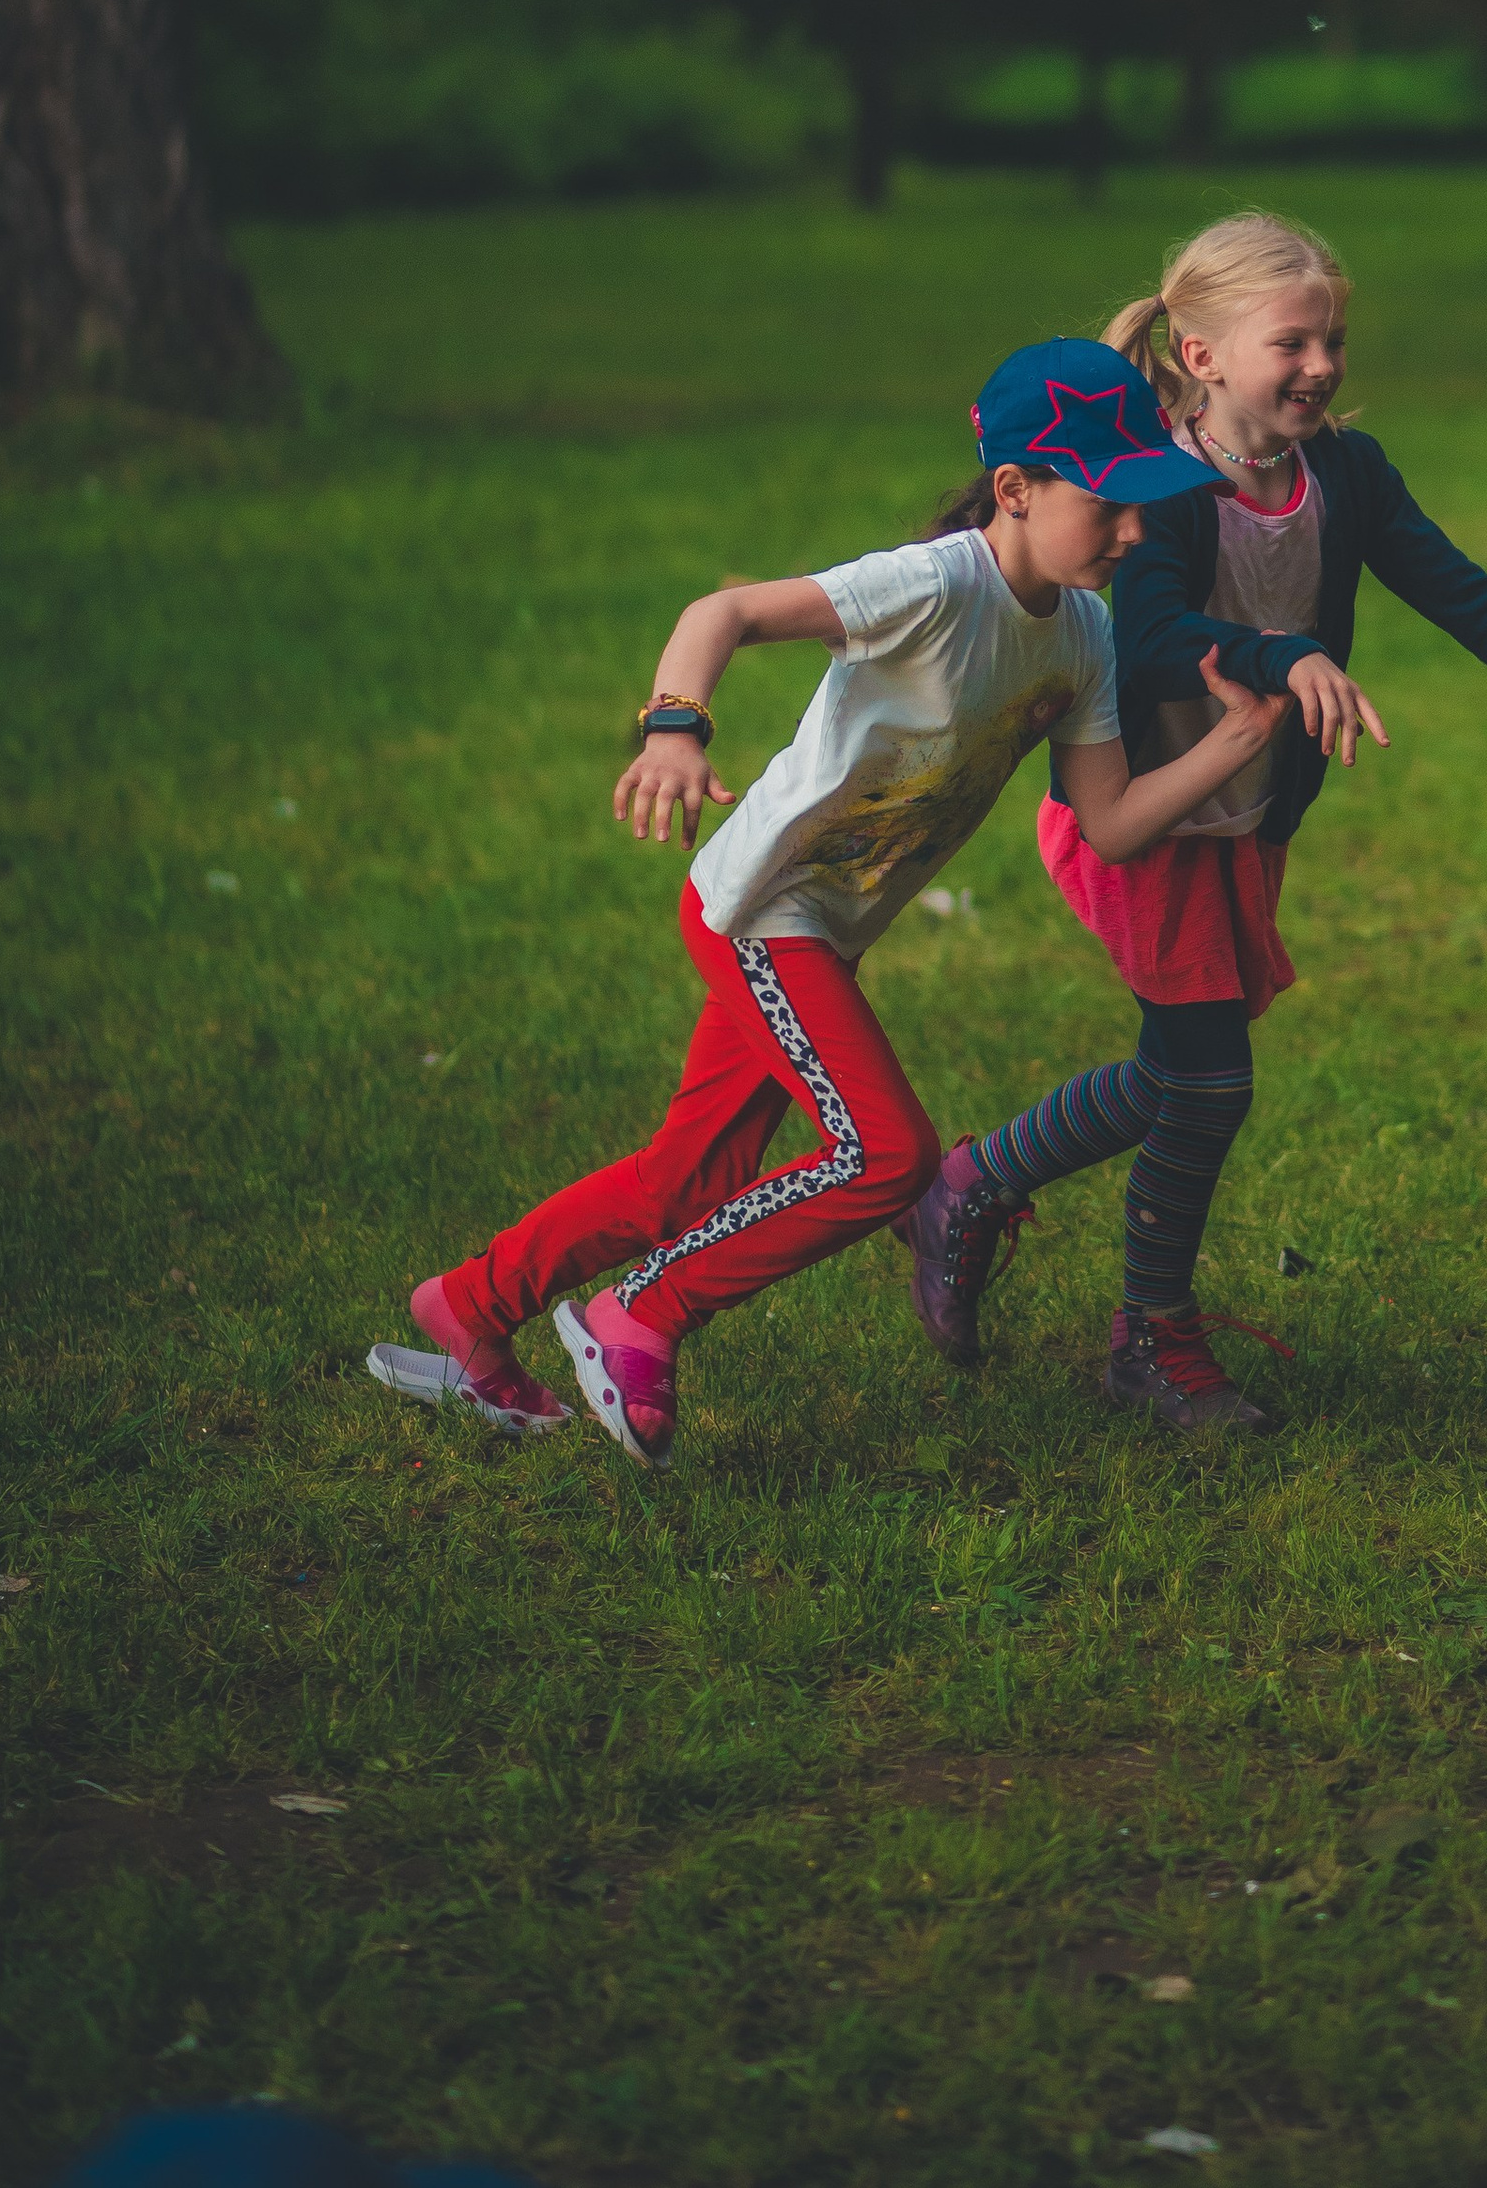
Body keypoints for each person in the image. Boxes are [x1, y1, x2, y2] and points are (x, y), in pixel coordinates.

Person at [366, 340, 1282, 1469]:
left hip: (825, 929)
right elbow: (726, 609)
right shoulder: (936, 583)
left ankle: (466, 1305)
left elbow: (1110, 822)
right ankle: (640, 1313)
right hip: (764, 907)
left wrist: (1237, 737)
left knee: (686, 1176)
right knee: (887, 1156)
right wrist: (674, 724)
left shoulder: (1084, 637)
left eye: (1144, 505)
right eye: (1110, 505)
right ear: (1015, 489)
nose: (1135, 531)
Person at [895, 211, 1487, 1432]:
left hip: (1245, 812)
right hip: (1142, 812)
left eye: (1334, 337)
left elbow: (1460, 589)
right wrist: (1278, 649)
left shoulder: (1347, 476)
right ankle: (1149, 1339)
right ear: (1201, 356)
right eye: (1293, 341)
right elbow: (1147, 639)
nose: (1322, 363)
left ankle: (971, 1183)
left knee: (1178, 1073)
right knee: (1206, 1079)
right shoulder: (1159, 486)